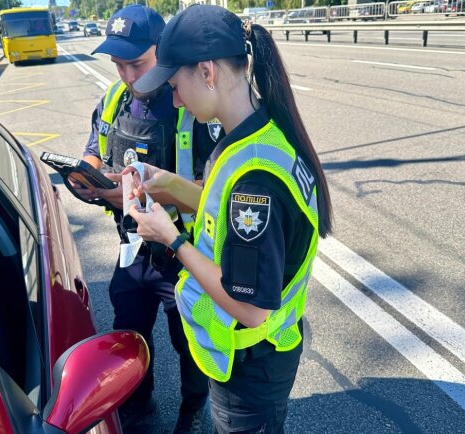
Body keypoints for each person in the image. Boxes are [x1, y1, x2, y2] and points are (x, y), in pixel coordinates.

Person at [125, 5, 333, 433]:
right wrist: (170, 183)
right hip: (257, 360)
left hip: (251, 368)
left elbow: (251, 308)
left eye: (176, 85)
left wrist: (171, 239)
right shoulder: (254, 133)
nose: (176, 99)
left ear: (207, 72)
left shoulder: (255, 180)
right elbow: (223, 213)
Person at [72, 5, 222, 433]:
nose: (128, 76)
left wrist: (126, 193)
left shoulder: (189, 102)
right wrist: (86, 176)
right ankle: (138, 404)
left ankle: (194, 409)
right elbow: (95, 149)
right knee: (128, 334)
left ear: (163, 51)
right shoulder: (114, 99)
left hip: (183, 253)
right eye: (118, 65)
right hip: (133, 248)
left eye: (137, 63)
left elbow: (211, 192)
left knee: (189, 342)